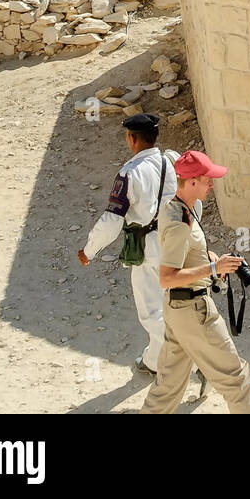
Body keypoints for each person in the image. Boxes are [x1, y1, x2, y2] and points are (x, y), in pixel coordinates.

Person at [141, 150, 250, 414]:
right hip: (193, 311)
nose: (212, 184)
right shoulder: (180, 222)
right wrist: (212, 267)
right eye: (207, 179)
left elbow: (185, 253)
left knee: (168, 386)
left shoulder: (178, 208)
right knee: (239, 380)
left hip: (178, 311)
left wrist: (212, 262)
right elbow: (166, 278)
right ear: (192, 181)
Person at [78, 113, 179, 375]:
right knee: (176, 303)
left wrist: (89, 250)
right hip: (178, 239)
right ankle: (154, 362)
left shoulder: (129, 173)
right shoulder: (172, 160)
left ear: (132, 138)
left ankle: (190, 353)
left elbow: (112, 220)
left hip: (150, 247)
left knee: (151, 311)